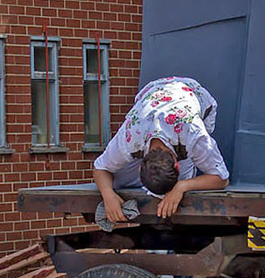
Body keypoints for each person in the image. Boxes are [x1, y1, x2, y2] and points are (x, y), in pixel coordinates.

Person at [92, 77, 230, 224]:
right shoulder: (131, 136)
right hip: (152, 91)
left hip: (194, 93)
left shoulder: (194, 135)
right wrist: (108, 195)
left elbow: (222, 178)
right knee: (115, 181)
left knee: (189, 174)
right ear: (140, 167)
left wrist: (181, 186)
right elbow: (100, 167)